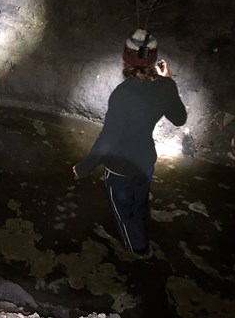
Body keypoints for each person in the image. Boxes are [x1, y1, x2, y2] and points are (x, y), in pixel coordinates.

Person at [72, 28, 187, 260]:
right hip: (145, 161)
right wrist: (168, 81)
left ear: (127, 58)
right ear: (154, 59)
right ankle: (142, 232)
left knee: (123, 212)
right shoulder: (166, 86)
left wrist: (84, 167)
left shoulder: (122, 94)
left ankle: (138, 251)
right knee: (140, 202)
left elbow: (108, 139)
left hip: (120, 167)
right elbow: (179, 118)